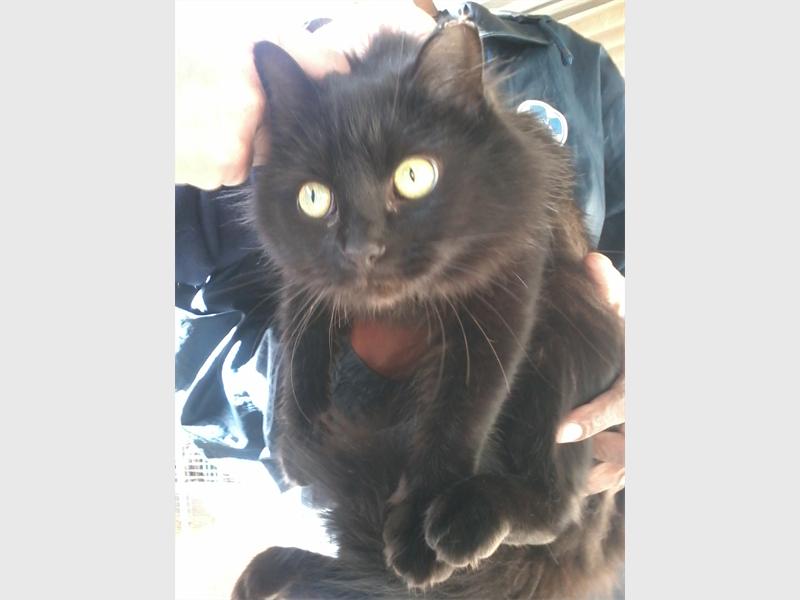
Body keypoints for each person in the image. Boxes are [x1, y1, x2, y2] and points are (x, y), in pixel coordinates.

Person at [175, 1, 625, 499]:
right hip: (365, 502)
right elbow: (193, 367)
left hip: (584, 476)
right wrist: (342, 384)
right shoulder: (221, 80)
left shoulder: (575, 67)